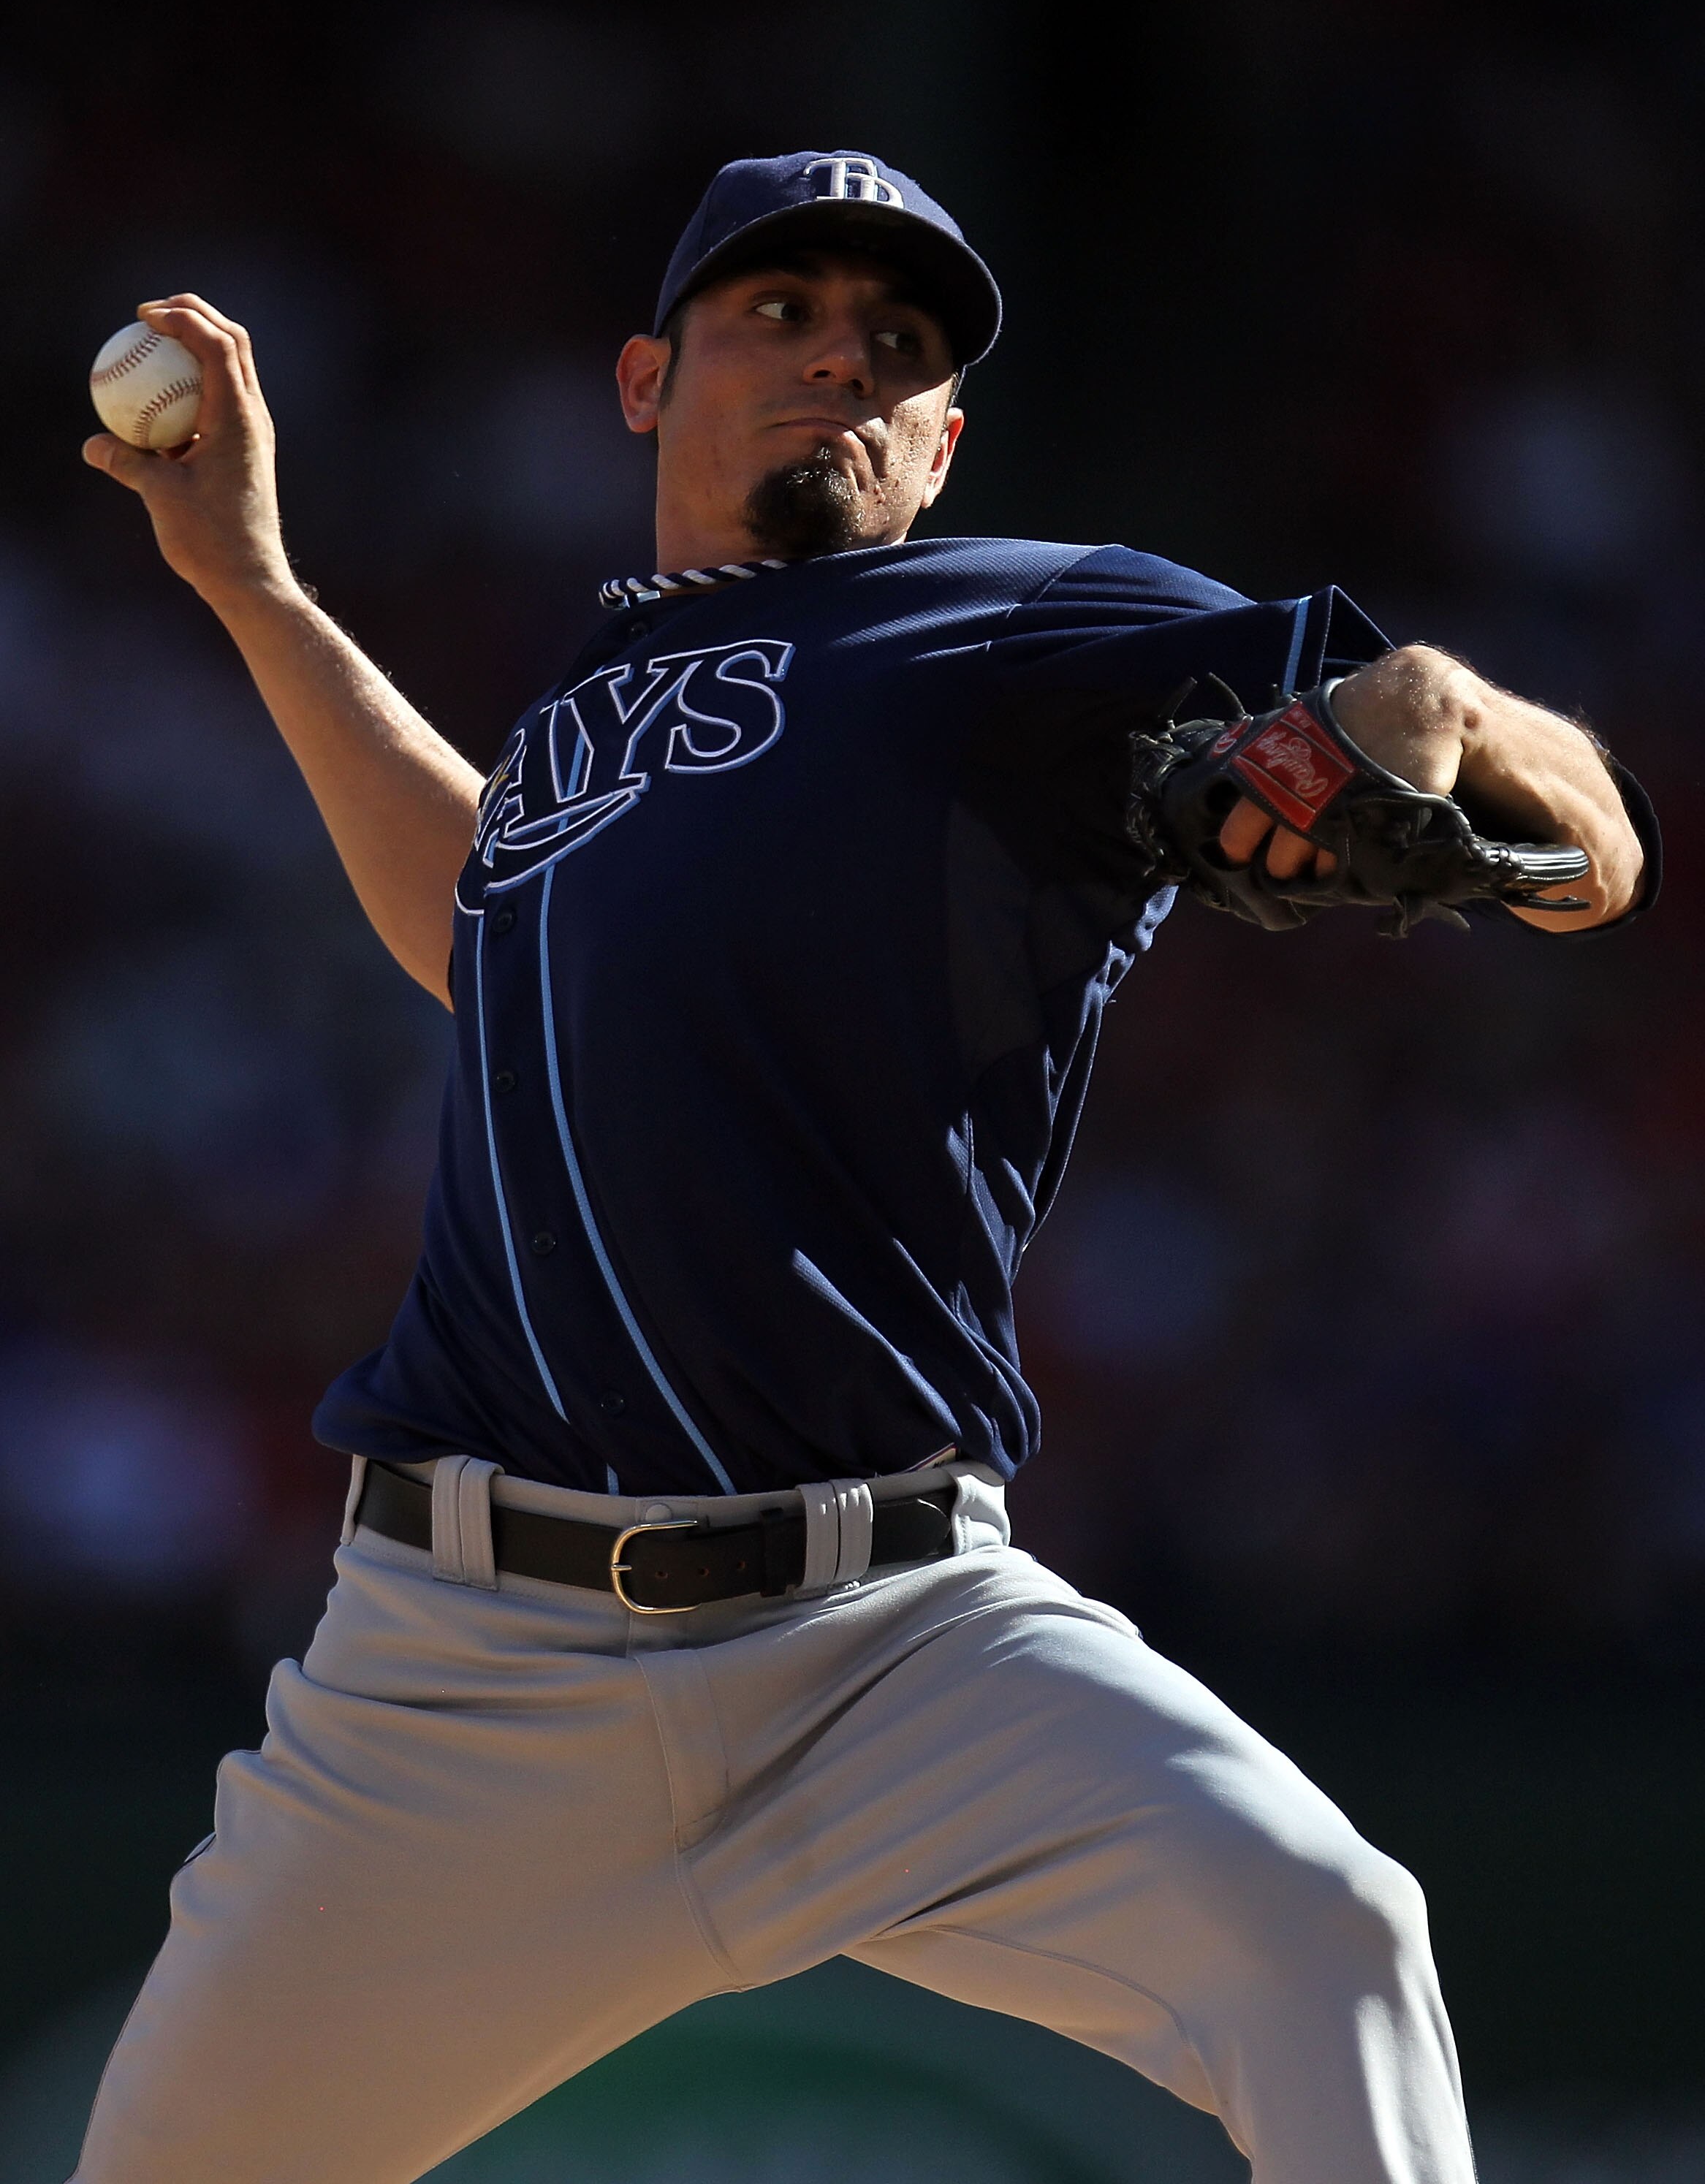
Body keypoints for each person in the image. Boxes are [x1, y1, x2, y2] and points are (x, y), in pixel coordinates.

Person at [75, 150, 1650, 2184]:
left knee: (1328, 1936)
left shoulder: (1024, 624)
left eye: (894, 345)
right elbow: (479, 916)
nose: (840, 360)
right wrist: (257, 594)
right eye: (779, 315)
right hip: (463, 1684)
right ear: (648, 382)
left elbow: (1595, 855)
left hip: (894, 1640)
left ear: (943, 442)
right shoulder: (589, 707)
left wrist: (1416, 703)